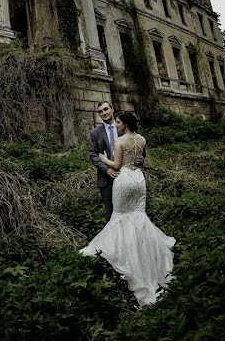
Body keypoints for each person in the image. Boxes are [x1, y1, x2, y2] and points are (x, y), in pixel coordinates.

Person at [80, 111, 175, 306]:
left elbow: (117, 164)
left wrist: (104, 159)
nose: (116, 125)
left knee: (120, 216)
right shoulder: (142, 139)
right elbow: (139, 158)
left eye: (119, 122)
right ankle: (149, 257)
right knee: (139, 215)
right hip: (139, 179)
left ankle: (124, 256)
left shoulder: (120, 141)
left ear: (125, 124)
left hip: (123, 179)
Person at [88, 101, 143, 221]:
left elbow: (139, 149)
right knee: (110, 214)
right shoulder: (95, 133)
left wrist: (141, 159)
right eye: (100, 111)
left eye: (106, 109)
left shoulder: (124, 127)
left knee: (129, 212)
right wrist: (106, 169)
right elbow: (93, 154)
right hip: (106, 178)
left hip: (127, 177)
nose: (104, 113)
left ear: (112, 109)